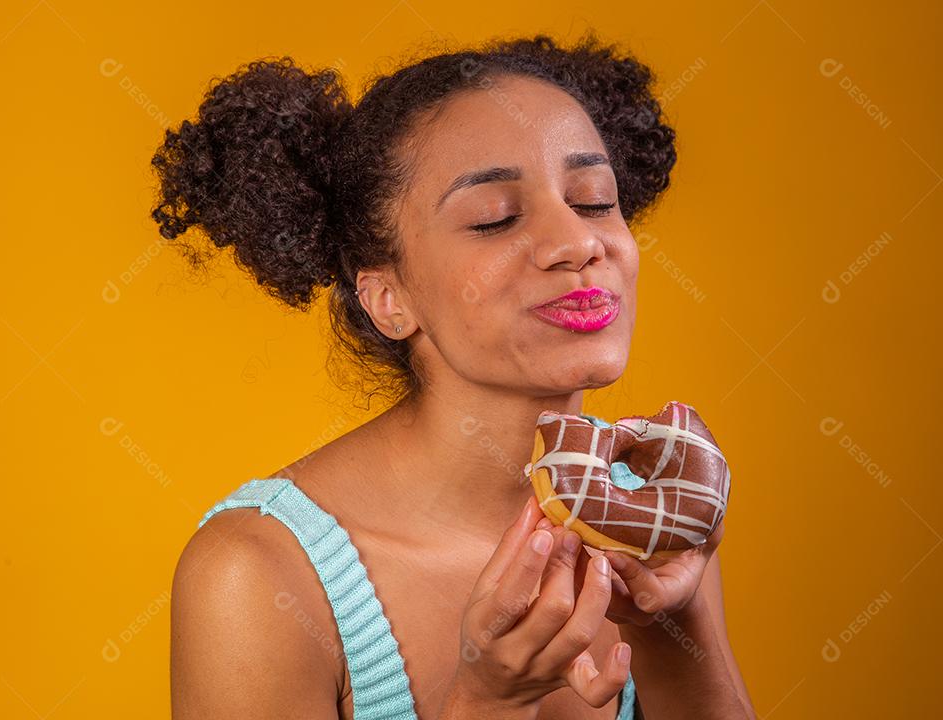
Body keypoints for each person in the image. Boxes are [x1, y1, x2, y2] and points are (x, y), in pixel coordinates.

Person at [153, 32, 755, 719]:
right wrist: (485, 704)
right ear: (389, 298)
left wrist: (672, 632)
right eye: (495, 219)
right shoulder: (257, 573)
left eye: (593, 200)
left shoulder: (650, 512)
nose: (580, 242)